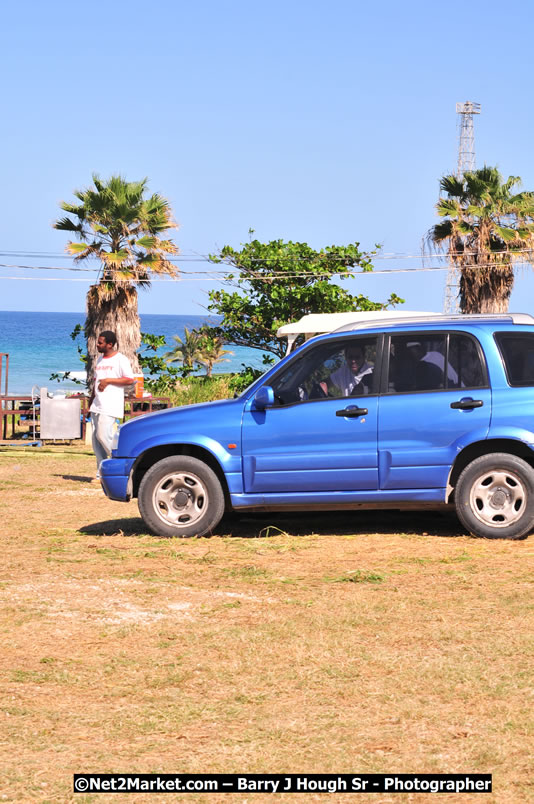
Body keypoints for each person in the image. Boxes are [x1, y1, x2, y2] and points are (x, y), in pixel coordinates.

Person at [89, 331, 134, 477]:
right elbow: (96, 381)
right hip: (97, 404)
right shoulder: (100, 359)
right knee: (96, 440)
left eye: (100, 342)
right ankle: (101, 472)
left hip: (110, 404)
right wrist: (91, 400)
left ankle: (122, 463)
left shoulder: (120, 359)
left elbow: (129, 379)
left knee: (103, 436)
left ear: (109, 344)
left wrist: (108, 381)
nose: (97, 344)